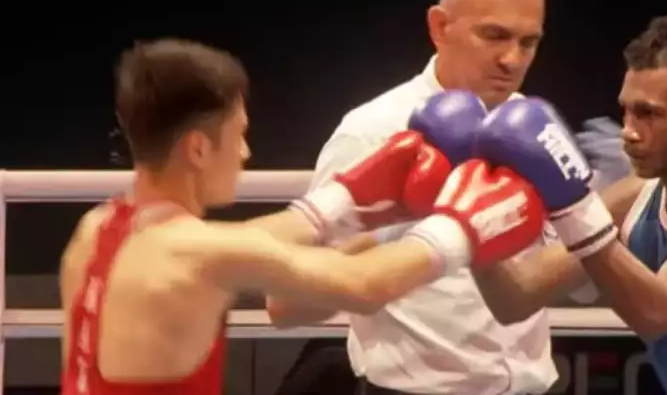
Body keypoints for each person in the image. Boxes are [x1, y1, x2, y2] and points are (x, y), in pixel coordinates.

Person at [58, 39, 551, 395]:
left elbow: (244, 240)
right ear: (199, 148)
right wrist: (463, 224)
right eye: (239, 134)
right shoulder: (198, 253)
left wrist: (345, 199)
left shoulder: (101, 228)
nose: (246, 152)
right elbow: (363, 285)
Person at [265, 0, 629, 395]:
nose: (512, 59)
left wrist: (597, 211)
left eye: (528, 42)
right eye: (494, 35)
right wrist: (394, 229)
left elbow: (573, 287)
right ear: (440, 27)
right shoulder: (373, 130)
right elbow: (286, 305)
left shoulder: (533, 128)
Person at [471, 11, 667, 394]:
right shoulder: (634, 198)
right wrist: (472, 224)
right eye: (627, 110)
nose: (629, 131)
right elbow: (515, 298)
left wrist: (572, 203)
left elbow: (658, 311)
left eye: (648, 114)